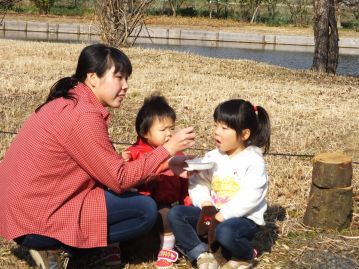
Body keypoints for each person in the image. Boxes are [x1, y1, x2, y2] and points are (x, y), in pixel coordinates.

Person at [0, 43, 195, 269]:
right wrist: (167, 149)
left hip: (20, 210)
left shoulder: (68, 101)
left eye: (127, 79)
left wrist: (165, 165)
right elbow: (119, 179)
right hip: (35, 220)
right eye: (119, 78)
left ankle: (64, 246)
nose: (126, 86)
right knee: (145, 210)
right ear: (92, 77)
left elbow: (105, 169)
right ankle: (59, 246)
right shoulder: (84, 115)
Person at [168, 99, 271, 269]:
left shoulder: (254, 161)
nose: (216, 132)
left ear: (244, 134)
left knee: (226, 231)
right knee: (176, 214)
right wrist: (206, 204)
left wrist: (221, 217)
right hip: (213, 213)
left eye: (224, 128)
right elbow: (198, 181)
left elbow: (251, 197)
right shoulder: (212, 157)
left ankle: (244, 256)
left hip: (241, 218)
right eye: (216, 125)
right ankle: (201, 253)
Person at [122, 95, 191, 269]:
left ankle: (166, 249)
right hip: (141, 203)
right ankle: (116, 248)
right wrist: (123, 161)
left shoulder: (178, 156)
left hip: (165, 204)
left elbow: (185, 187)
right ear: (145, 132)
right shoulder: (134, 154)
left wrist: (188, 206)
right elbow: (124, 179)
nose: (169, 134)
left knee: (167, 214)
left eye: (172, 128)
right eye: (163, 129)